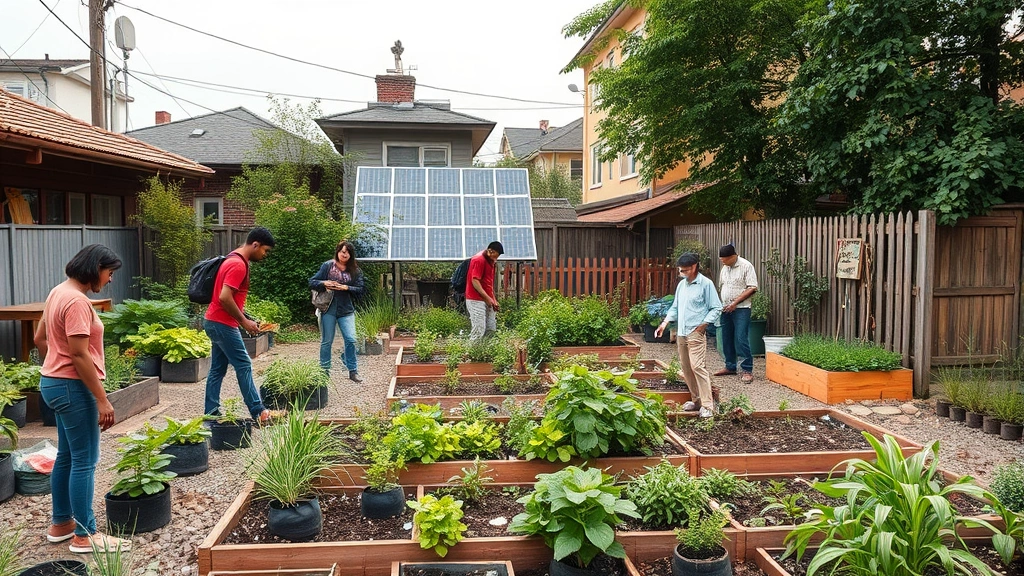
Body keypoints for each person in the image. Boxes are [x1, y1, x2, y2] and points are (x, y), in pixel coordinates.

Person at [33, 244, 132, 553]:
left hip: (54, 384)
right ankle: (85, 535)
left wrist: (55, 366)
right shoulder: (77, 302)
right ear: (95, 268)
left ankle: (61, 524)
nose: (111, 279)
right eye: (110, 272)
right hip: (73, 388)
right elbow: (78, 353)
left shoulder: (57, 292)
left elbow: (40, 339)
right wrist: (102, 400)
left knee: (67, 456)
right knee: (85, 461)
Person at [203, 227, 278, 423]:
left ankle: (210, 413)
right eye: (265, 250)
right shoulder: (238, 265)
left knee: (217, 368)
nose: (265, 255)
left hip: (213, 320)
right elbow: (224, 297)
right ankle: (258, 411)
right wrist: (244, 321)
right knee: (243, 364)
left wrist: (245, 317)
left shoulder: (231, 258)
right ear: (255, 244)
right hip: (222, 323)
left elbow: (228, 299)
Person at [654, 253, 722, 418]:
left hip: (696, 333)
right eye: (680, 270)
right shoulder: (681, 286)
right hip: (682, 333)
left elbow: (716, 307)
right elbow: (675, 307)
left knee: (698, 366)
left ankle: (708, 406)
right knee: (686, 367)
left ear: (694, 267)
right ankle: (696, 401)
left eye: (685, 270)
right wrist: (664, 324)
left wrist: (703, 325)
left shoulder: (706, 284)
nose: (682, 273)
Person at [309, 240, 366, 382]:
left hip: (346, 310)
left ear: (351, 255)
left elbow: (361, 289)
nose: (344, 254)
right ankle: (324, 372)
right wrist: (324, 283)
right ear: (338, 252)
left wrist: (346, 288)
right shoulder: (328, 266)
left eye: (347, 252)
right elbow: (312, 282)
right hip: (328, 308)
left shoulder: (355, 270)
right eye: (342, 251)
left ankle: (353, 371)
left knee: (351, 339)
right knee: (327, 341)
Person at [716, 243, 759, 382]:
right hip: (725, 308)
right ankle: (730, 366)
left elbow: (752, 287)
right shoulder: (725, 268)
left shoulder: (746, 266)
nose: (722, 261)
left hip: (741, 309)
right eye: (721, 259)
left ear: (733, 256)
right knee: (726, 337)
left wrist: (735, 303)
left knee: (741, 337)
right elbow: (722, 286)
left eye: (725, 259)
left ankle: (747, 369)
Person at [465, 241, 503, 342]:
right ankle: (471, 354)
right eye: (495, 255)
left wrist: (493, 300)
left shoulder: (491, 261)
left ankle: (487, 351)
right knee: (479, 328)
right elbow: (475, 281)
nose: (496, 259)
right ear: (490, 251)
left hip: (487, 298)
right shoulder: (479, 260)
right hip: (475, 299)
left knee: (491, 328)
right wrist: (487, 298)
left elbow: (488, 284)